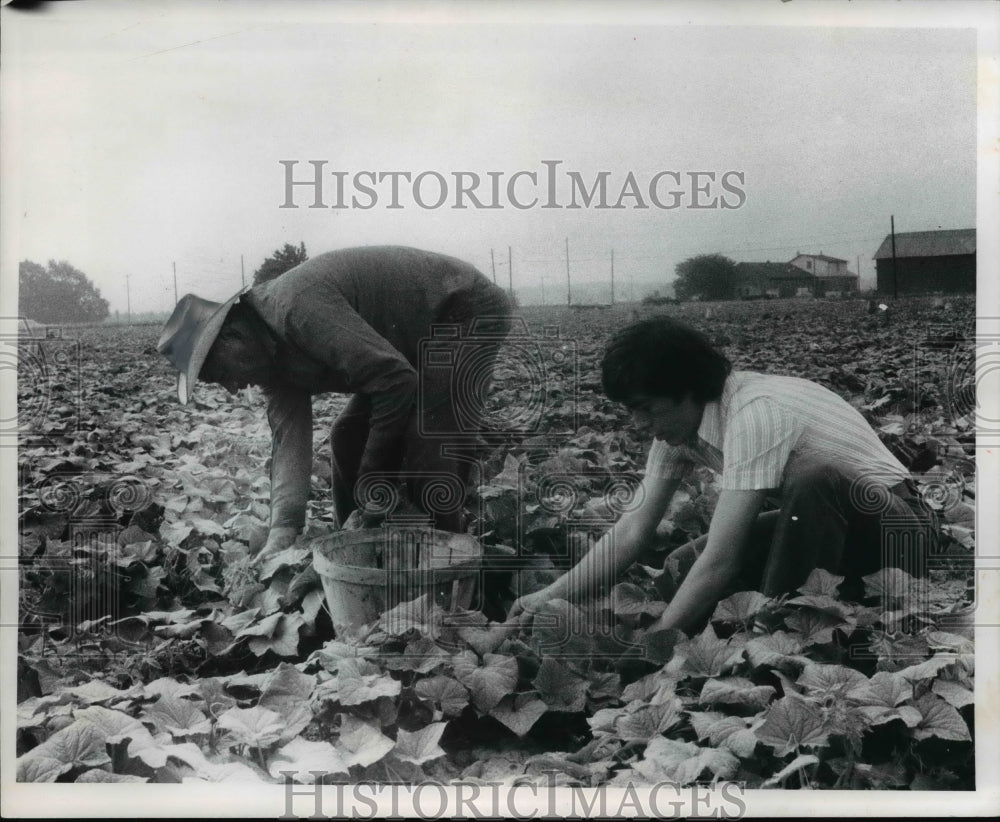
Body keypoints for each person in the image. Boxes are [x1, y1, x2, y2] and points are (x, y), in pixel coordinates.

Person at [508, 315, 937, 635]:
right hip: (832, 534)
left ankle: (775, 629)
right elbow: (632, 530)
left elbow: (724, 557)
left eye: (647, 408)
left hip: (901, 536)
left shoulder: (756, 410)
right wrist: (549, 596)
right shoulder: (679, 429)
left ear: (689, 392)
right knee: (681, 563)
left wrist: (661, 638)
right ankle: (793, 607)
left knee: (813, 475)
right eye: (631, 410)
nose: (638, 423)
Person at [158, 245, 513, 558]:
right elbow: (289, 445)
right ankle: (355, 546)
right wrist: (284, 529)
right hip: (407, 345)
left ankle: (450, 561)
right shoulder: (269, 362)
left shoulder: (296, 308)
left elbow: (395, 380)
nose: (233, 388)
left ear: (232, 337)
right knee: (346, 436)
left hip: (461, 310)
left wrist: (373, 480)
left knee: (428, 438)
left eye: (221, 375)